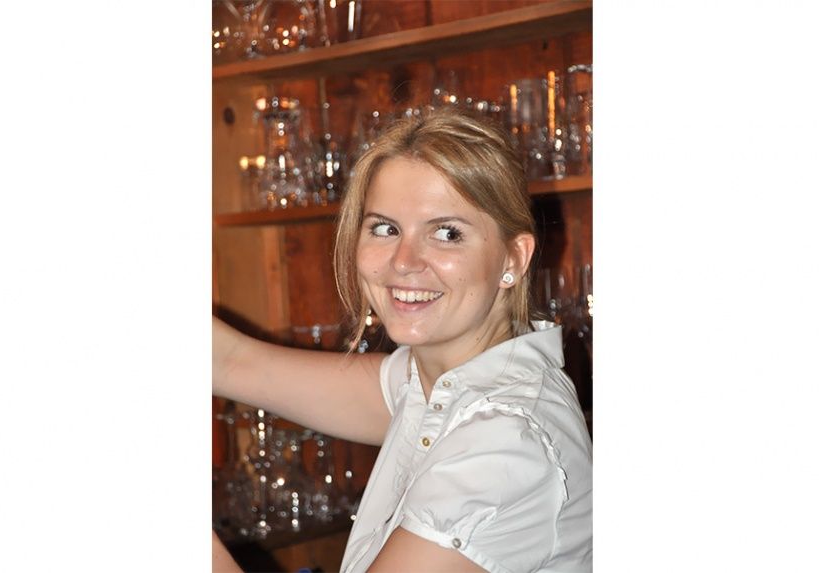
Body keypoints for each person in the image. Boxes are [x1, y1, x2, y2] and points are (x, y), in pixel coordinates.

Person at [213, 106, 592, 572]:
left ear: (513, 258)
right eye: (385, 228)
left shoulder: (502, 445)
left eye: (447, 233)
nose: (404, 261)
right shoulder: (435, 382)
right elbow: (233, 363)